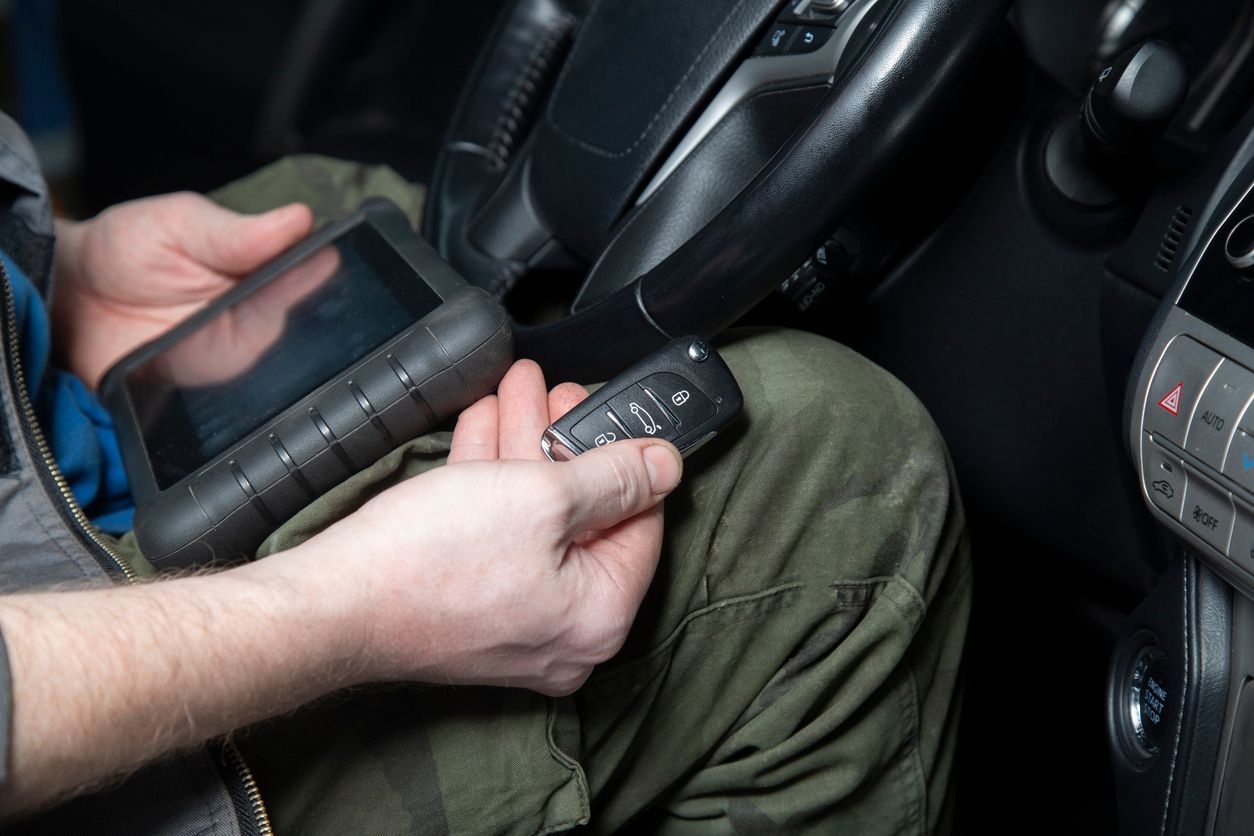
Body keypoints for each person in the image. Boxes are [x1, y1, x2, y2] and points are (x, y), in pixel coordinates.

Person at [0, 113, 971, 834]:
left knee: (363, 200)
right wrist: (349, 613)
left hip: (40, 412)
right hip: (71, 713)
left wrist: (52, 269)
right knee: (837, 450)